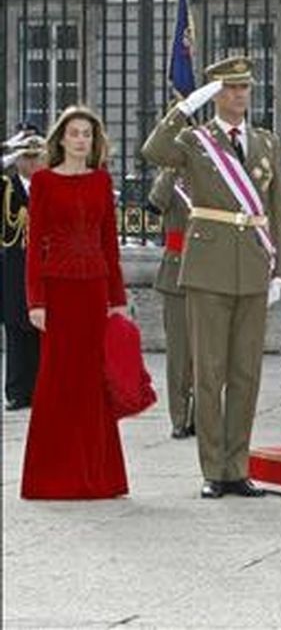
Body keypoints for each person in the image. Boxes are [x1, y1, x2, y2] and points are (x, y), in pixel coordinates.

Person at [141, 56, 281, 499]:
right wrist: (185, 109)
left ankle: (237, 465)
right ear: (213, 95)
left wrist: (280, 269)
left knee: (246, 373)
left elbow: (276, 208)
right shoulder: (193, 140)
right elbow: (153, 152)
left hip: (252, 266)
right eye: (229, 89)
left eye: (244, 88)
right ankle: (212, 467)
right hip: (208, 267)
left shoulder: (266, 142)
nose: (239, 96)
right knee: (209, 372)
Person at [21, 106, 129, 499]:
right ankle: (51, 479)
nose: (81, 139)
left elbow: (110, 246)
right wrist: (36, 301)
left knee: (94, 384)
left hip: (95, 290)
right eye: (75, 133)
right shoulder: (44, 182)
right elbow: (34, 250)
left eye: (87, 133)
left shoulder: (102, 181)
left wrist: (117, 300)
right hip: (59, 291)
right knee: (56, 382)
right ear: (61, 139)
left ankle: (99, 478)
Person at [147, 167, 194, 439]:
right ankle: (179, 417)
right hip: (176, 271)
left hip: (210, 272)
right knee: (179, 354)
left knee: (207, 355)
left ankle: (201, 416)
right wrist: (170, 168)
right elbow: (155, 203)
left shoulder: (211, 173)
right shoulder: (170, 181)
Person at [1, 131, 46, 412]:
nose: (33, 162)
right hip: (15, 264)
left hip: (43, 263)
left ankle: (40, 386)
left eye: (35, 156)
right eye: (27, 157)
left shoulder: (47, 184)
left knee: (41, 328)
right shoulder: (6, 185)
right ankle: (18, 391)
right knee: (17, 329)